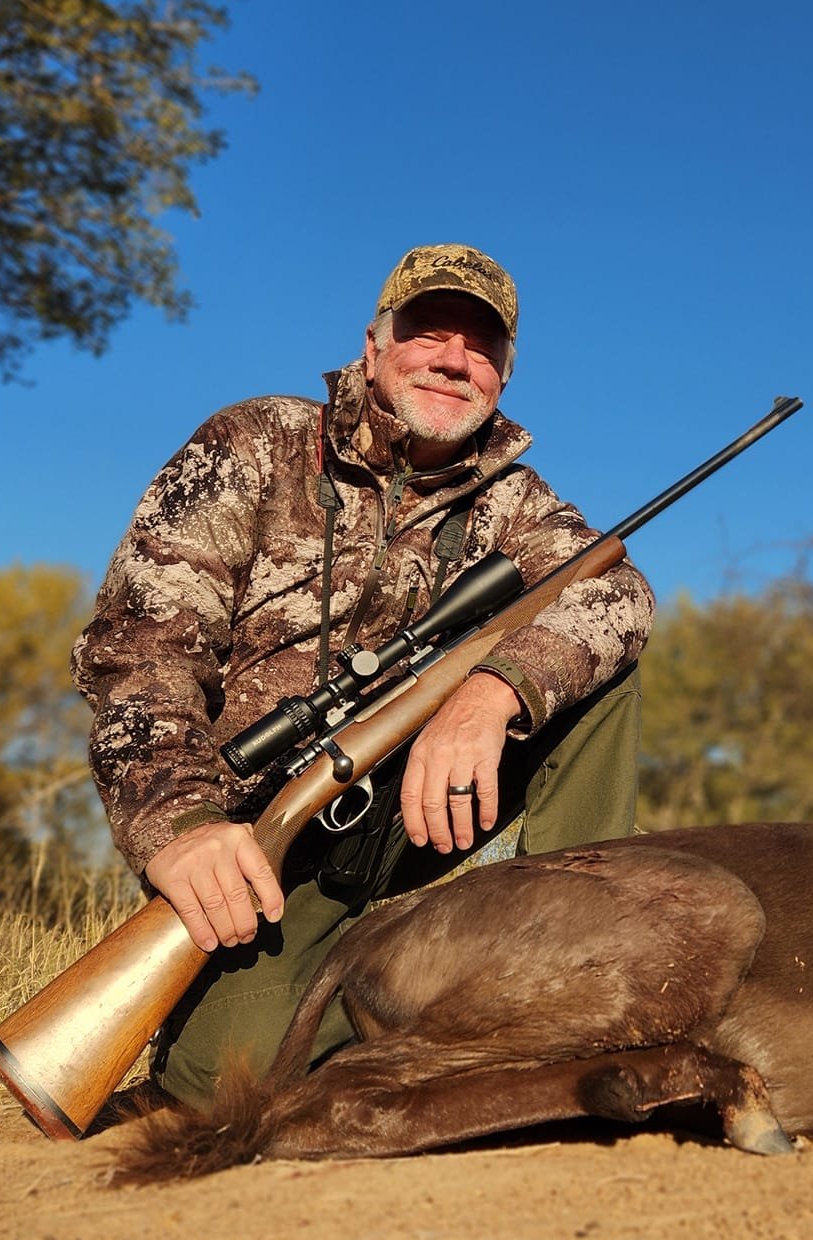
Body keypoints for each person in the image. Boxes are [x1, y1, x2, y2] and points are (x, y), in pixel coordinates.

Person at [72, 243, 653, 1109]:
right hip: (256, 850)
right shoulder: (255, 443)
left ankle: (587, 984)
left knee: (598, 670)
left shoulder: (516, 502)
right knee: (216, 1084)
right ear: (374, 346)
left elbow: (619, 593)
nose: (455, 360)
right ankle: (445, 1011)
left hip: (403, 821)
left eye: (482, 346)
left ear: (503, 373)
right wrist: (184, 825)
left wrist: (491, 694)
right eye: (428, 333)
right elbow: (139, 655)